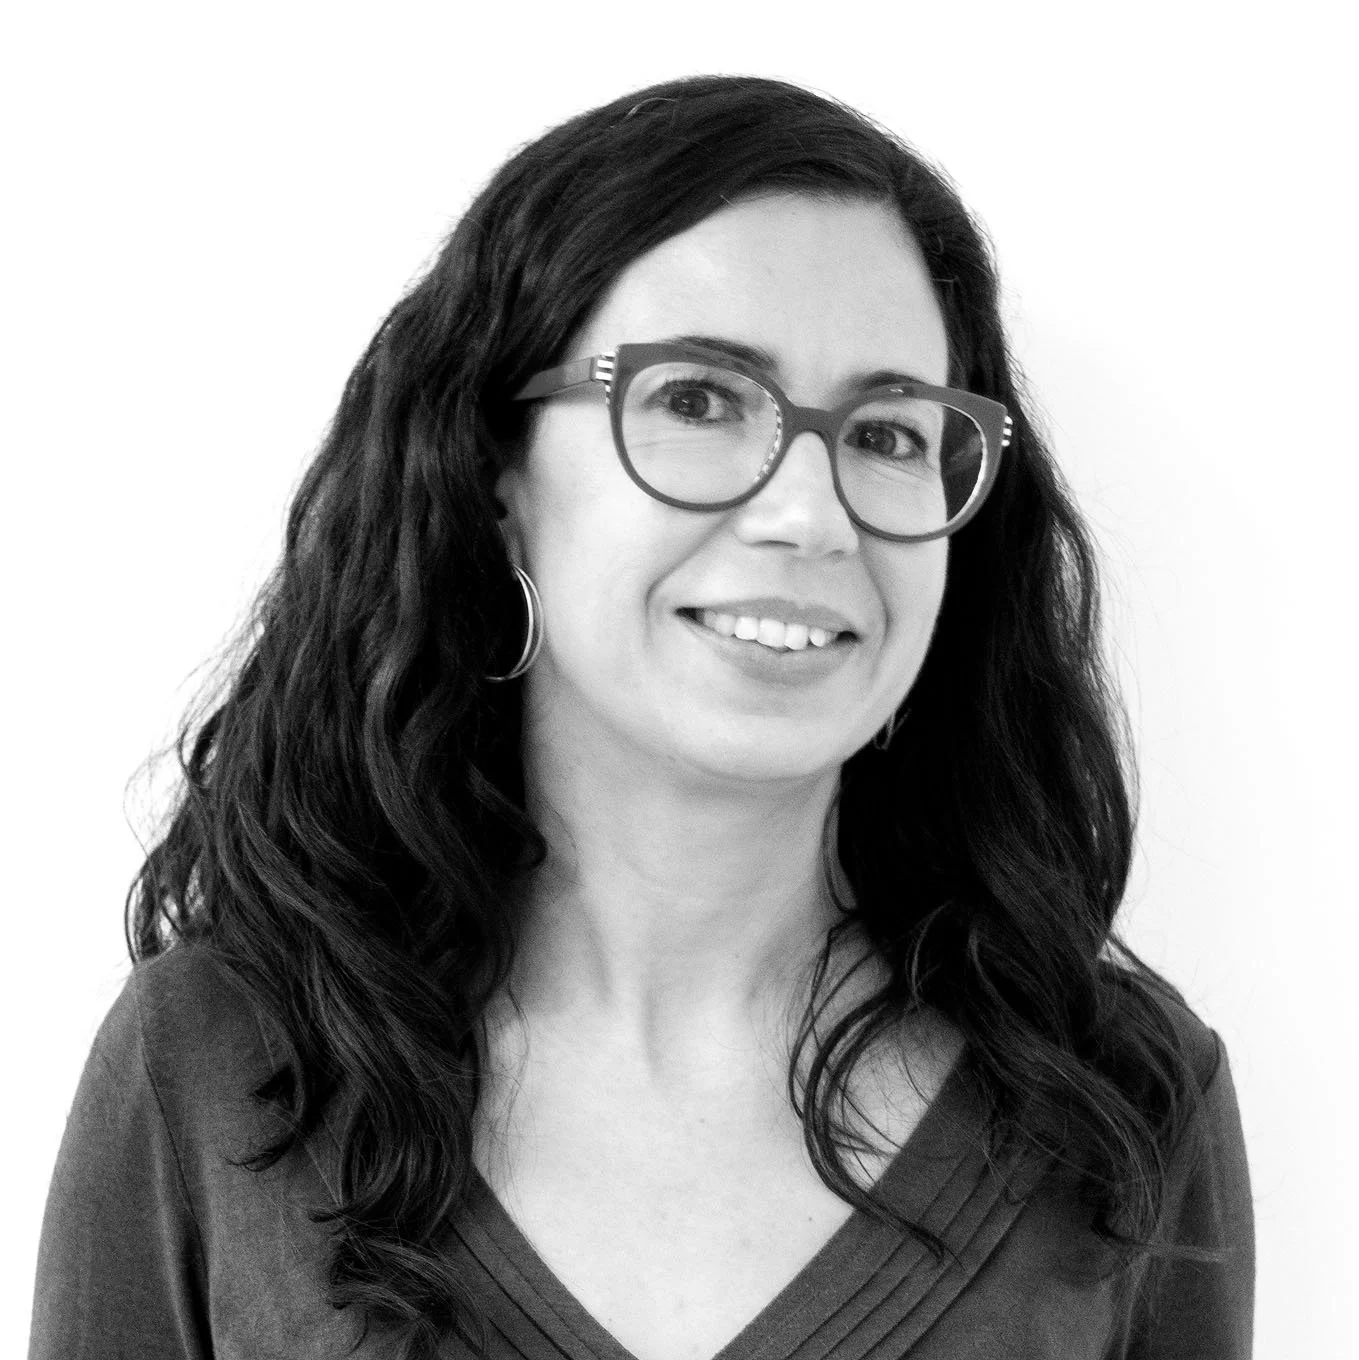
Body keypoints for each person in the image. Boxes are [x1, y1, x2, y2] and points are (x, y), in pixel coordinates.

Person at [29, 75, 1253, 1360]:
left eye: (888, 434)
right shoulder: (210, 1060)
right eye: (697, 402)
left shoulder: (1128, 1105)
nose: (811, 515)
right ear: (494, 474)